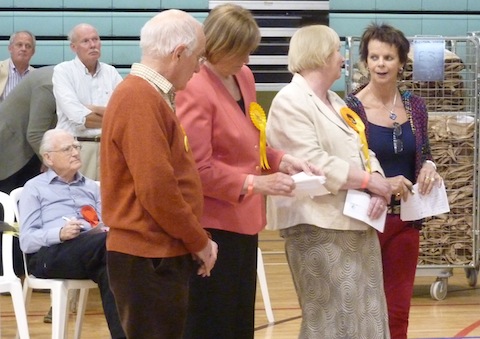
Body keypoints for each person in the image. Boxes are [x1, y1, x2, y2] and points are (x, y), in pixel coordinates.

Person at [175, 4, 321, 338]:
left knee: (239, 321)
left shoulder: (243, 76)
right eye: (242, 52)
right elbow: (198, 169)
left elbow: (248, 142)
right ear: (219, 47)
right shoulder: (195, 87)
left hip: (245, 221)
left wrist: (281, 159)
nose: (248, 60)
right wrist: (256, 183)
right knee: (212, 321)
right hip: (212, 225)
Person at [265, 25, 392, 338]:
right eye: (337, 50)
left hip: (357, 222)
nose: (342, 57)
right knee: (331, 322)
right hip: (317, 228)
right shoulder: (290, 100)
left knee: (368, 318)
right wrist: (367, 181)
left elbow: (363, 149)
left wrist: (377, 180)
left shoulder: (335, 102)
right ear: (319, 55)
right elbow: (314, 162)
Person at [100, 10, 218, 338]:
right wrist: (199, 241)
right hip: (148, 255)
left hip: (156, 253)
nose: (199, 67)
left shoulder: (147, 95)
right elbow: (156, 188)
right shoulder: (139, 97)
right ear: (178, 52)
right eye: (198, 58)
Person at [345, 23, 441, 339]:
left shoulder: (416, 105)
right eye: (374, 57)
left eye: (388, 57)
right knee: (362, 308)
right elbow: (350, 164)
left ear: (401, 62)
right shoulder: (350, 107)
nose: (381, 64)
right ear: (365, 62)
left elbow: (423, 150)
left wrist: (428, 165)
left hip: (406, 222)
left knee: (398, 312)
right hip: (365, 222)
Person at [18, 129, 125, 339]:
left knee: (112, 267)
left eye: (77, 147)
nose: (75, 152)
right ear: (48, 158)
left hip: (93, 250)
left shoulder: (91, 187)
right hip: (50, 255)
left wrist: (104, 228)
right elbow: (27, 241)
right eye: (67, 149)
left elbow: (104, 224)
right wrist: (59, 233)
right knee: (113, 247)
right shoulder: (34, 188)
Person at [0, 66, 56, 280]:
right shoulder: (49, 84)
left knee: (26, 212)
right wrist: (50, 160)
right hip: (9, 150)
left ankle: (22, 267)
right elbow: (35, 134)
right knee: (7, 211)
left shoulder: (62, 80)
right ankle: (8, 271)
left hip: (29, 152)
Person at [53, 23, 123, 180]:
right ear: (73, 47)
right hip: (76, 149)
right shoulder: (62, 71)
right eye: (85, 41)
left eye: (95, 39)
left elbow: (125, 113)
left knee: (107, 202)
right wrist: (112, 117)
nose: (93, 45)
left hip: (108, 148)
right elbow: (79, 119)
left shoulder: (111, 72)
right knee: (76, 201)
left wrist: (92, 108)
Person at [0, 31, 36, 102]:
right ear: (10, 48)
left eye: (28, 46)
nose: (23, 49)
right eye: (19, 45)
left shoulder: (37, 76)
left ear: (33, 52)